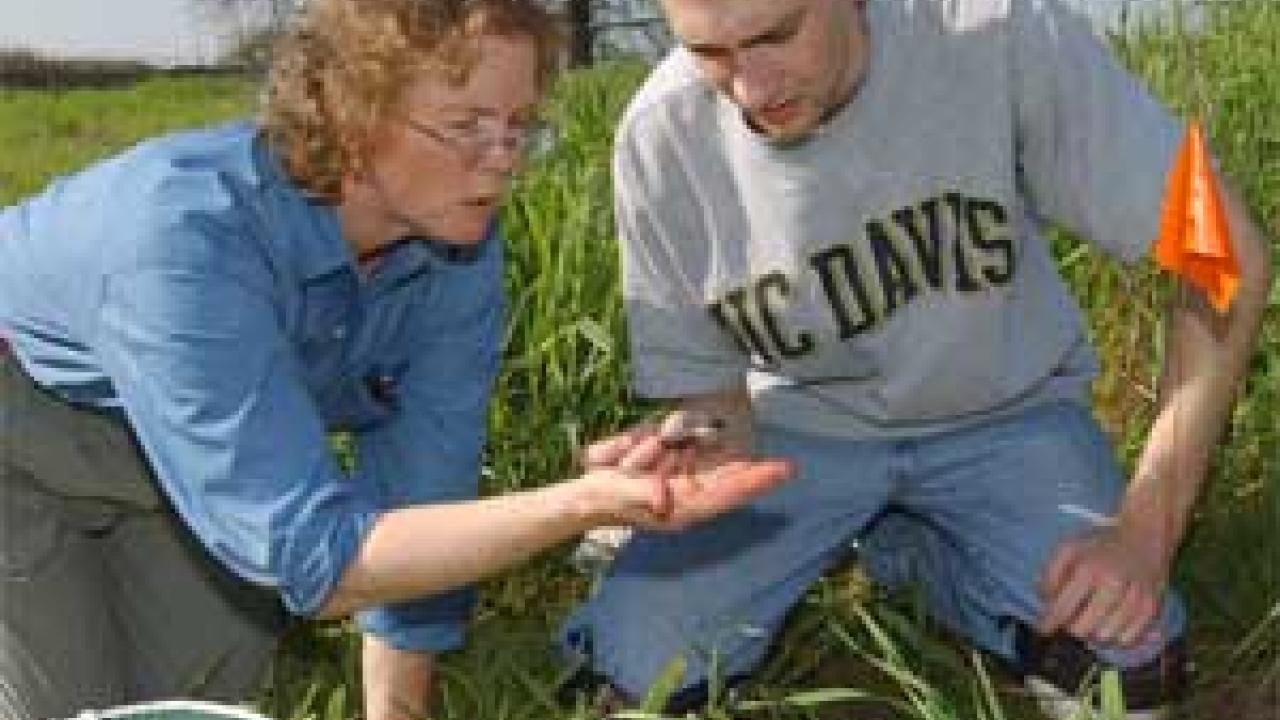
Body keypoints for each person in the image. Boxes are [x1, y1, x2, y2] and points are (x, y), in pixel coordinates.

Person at [0, 1, 794, 719]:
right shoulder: (178, 243)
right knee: (71, 710)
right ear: (351, 114)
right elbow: (317, 559)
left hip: (182, 459)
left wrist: (399, 714)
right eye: (467, 126)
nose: (504, 160)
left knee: (201, 694)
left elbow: (423, 477)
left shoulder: (455, 247)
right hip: (20, 431)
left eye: (519, 125)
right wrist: (582, 506)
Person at [557, 0, 1273, 716]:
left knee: (1131, 673)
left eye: (776, 34)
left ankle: (909, 554)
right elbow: (718, 406)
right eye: (709, 53)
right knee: (633, 677)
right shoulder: (661, 138)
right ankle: (847, 537)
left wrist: (1148, 527)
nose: (751, 87)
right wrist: (693, 457)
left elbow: (1226, 257)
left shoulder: (1001, 35)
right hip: (796, 439)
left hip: (1006, 416)